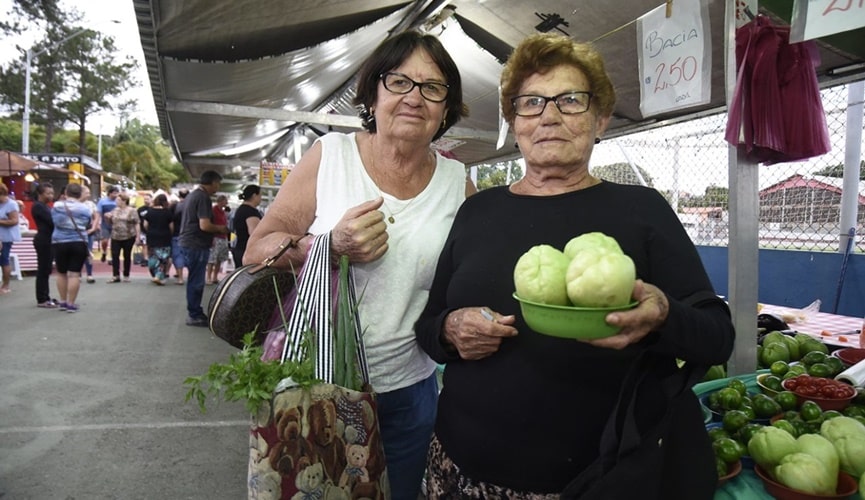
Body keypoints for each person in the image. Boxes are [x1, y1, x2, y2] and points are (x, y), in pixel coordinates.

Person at [414, 33, 736, 498]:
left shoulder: (642, 210)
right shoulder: (477, 211)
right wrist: (450, 328)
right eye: (530, 103)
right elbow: (428, 326)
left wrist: (663, 314)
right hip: (462, 465)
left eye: (570, 100)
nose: (548, 115)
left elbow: (717, 335)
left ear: (600, 119)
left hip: (599, 478)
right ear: (514, 121)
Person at [245, 31, 471, 500]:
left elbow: (467, 279)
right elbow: (258, 248)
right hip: (321, 383)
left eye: (433, 87)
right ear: (373, 92)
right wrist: (326, 246)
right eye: (400, 82)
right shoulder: (331, 156)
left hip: (412, 387)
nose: (415, 97)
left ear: (446, 108)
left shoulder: (457, 181)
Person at [179, 171, 228, 327]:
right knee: (196, 280)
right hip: (196, 243)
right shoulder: (203, 198)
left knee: (195, 279)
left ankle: (194, 311)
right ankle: (194, 313)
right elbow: (205, 225)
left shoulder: (193, 196)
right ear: (213, 182)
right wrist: (220, 229)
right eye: (217, 183)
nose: (218, 187)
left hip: (190, 242)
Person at [51, 183, 92, 312]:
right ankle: (71, 303)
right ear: (80, 194)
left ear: (66, 193)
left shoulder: (57, 206)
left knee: (61, 273)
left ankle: (62, 301)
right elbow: (87, 224)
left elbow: (54, 221)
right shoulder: (85, 209)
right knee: (74, 274)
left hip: (59, 241)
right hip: (79, 241)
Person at [31, 182, 58, 307]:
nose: (51, 196)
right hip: (44, 240)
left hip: (48, 240)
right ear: (40, 194)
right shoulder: (38, 207)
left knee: (46, 269)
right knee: (43, 269)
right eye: (48, 193)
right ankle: (41, 298)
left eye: (52, 193)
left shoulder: (45, 206)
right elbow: (52, 221)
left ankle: (46, 296)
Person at [106, 193, 141, 283]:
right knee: (115, 255)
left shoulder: (132, 210)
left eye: (118, 200)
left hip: (128, 236)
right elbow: (111, 222)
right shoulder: (115, 210)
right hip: (115, 236)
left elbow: (137, 223)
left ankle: (126, 275)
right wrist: (108, 217)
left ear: (124, 201)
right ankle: (115, 275)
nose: (116, 202)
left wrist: (138, 236)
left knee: (127, 255)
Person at [143, 193, 174, 285]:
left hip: (152, 235)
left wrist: (150, 231)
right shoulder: (167, 212)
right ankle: (159, 275)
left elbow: (145, 225)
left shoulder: (150, 211)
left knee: (153, 255)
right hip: (164, 236)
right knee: (163, 257)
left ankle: (155, 273)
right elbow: (171, 227)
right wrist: (169, 233)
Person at [230, 184, 262, 268]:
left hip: (240, 248)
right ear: (255, 195)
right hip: (247, 250)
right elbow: (254, 232)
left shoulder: (241, 209)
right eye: (260, 195)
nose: (261, 198)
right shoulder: (250, 211)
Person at [0, 182, 22, 295]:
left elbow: (14, 221)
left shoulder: (11, 204)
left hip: (7, 236)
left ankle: (6, 285)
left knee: (4, 259)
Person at [205, 194, 230, 285]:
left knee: (219, 258)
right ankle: (208, 277)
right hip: (215, 237)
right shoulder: (213, 210)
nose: (226, 203)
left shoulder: (223, 212)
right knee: (212, 258)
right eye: (225, 201)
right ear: (220, 201)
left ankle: (215, 277)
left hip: (223, 237)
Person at [169, 188, 189, 285]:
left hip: (176, 234)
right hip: (190, 235)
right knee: (190, 256)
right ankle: (191, 276)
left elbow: (170, 221)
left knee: (178, 255)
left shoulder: (174, 206)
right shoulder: (192, 206)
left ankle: (180, 276)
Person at [80, 185, 99, 284]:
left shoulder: (90, 204)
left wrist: (94, 228)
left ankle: (89, 274)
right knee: (78, 253)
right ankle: (77, 273)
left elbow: (96, 216)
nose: (89, 195)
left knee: (89, 252)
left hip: (88, 231)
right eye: (86, 193)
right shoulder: (75, 204)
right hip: (77, 232)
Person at [96, 186, 119, 263]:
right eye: (114, 193)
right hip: (105, 224)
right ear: (110, 193)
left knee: (114, 242)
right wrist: (97, 223)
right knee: (104, 241)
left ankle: (113, 257)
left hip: (115, 224)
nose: (116, 195)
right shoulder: (102, 201)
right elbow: (98, 213)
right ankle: (104, 252)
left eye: (117, 193)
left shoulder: (118, 202)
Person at [136, 193, 152, 266]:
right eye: (145, 199)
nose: (146, 201)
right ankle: (145, 258)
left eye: (147, 199)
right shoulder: (140, 209)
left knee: (151, 246)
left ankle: (151, 258)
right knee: (144, 244)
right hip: (143, 230)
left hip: (152, 230)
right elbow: (138, 221)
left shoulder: (154, 208)